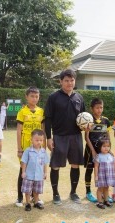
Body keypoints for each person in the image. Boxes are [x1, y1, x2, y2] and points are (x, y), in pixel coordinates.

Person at [44, 69, 85, 205]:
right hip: (59, 136)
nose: (69, 83)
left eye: (72, 80)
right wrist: (49, 138)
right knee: (55, 166)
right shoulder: (53, 97)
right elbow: (48, 119)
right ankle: (56, 194)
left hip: (76, 136)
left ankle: (73, 192)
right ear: (61, 81)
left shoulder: (79, 98)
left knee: (75, 165)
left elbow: (84, 117)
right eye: (66, 80)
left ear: (75, 81)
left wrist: (86, 126)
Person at [15, 87, 45, 207]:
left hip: (37, 147)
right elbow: (18, 131)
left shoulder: (41, 111)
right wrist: (19, 148)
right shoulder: (22, 112)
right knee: (23, 171)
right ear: (26, 97)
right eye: (32, 96)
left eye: (36, 96)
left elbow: (43, 130)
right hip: (26, 146)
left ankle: (34, 197)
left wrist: (43, 146)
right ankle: (19, 197)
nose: (34, 98)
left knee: (36, 170)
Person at [84, 98, 111, 203]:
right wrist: (93, 151)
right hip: (91, 150)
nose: (99, 110)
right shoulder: (89, 120)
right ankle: (88, 192)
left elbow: (107, 136)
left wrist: (109, 149)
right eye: (97, 108)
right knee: (90, 170)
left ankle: (104, 193)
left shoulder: (106, 121)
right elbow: (86, 137)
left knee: (102, 170)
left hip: (102, 151)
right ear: (92, 109)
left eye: (101, 107)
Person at [21, 129, 49, 211]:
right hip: (28, 175)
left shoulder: (43, 152)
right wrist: (23, 172)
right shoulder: (28, 151)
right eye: (37, 140)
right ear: (31, 140)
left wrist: (45, 172)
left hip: (39, 176)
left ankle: (36, 202)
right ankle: (28, 203)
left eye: (41, 140)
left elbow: (45, 163)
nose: (39, 142)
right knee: (27, 190)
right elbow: (24, 162)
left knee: (36, 190)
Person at [94, 138, 115, 209]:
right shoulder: (98, 156)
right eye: (104, 146)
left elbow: (114, 166)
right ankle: (99, 202)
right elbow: (96, 167)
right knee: (100, 189)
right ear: (100, 147)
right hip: (101, 175)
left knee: (107, 188)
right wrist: (96, 176)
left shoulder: (111, 156)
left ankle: (106, 200)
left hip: (109, 175)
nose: (106, 148)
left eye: (108, 146)